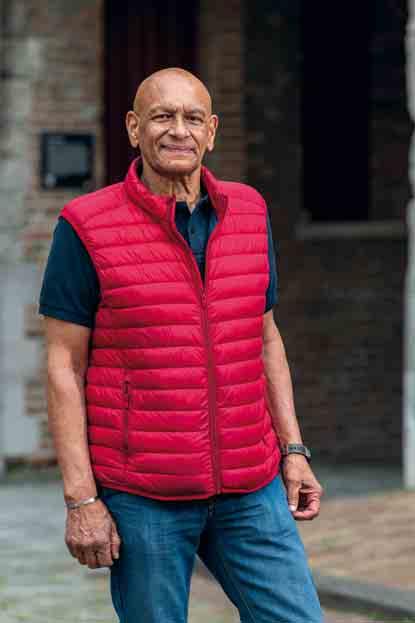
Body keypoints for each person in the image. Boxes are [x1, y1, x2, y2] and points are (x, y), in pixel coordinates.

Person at [39, 67, 325, 623]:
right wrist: (81, 499)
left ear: (211, 132)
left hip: (251, 486)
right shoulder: (85, 226)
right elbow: (63, 366)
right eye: (162, 117)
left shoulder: (250, 211)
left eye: (193, 118)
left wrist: (293, 450)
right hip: (144, 494)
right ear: (133, 128)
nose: (178, 130)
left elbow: (265, 338)